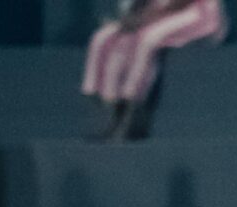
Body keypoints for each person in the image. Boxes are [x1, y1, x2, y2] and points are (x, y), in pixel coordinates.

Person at [82, 0, 228, 142]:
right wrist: (131, 17)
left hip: (198, 13)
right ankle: (114, 112)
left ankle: (132, 112)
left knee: (148, 39)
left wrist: (144, 18)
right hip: (157, 14)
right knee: (111, 39)